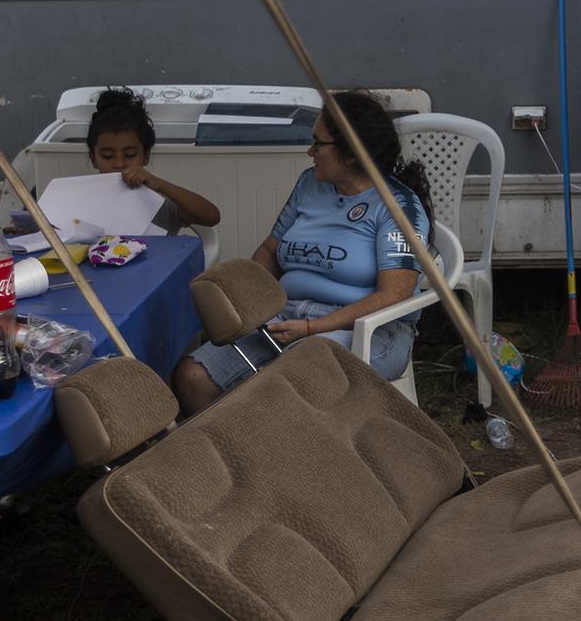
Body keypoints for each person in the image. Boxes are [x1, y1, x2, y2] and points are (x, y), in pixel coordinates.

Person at [170, 91, 432, 415]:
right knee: (192, 377)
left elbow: (396, 293)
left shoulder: (397, 205)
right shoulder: (310, 183)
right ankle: (236, 456)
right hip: (289, 313)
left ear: (350, 154)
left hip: (369, 330)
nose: (310, 151)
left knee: (281, 391)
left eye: (318, 144)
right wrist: (250, 302)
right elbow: (270, 248)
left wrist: (313, 329)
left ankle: (284, 459)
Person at [85, 86, 220, 231]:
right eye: (108, 156)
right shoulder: (82, 200)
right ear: (93, 158)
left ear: (146, 155)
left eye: (130, 155)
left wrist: (160, 185)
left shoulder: (156, 199)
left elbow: (211, 217)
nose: (119, 164)